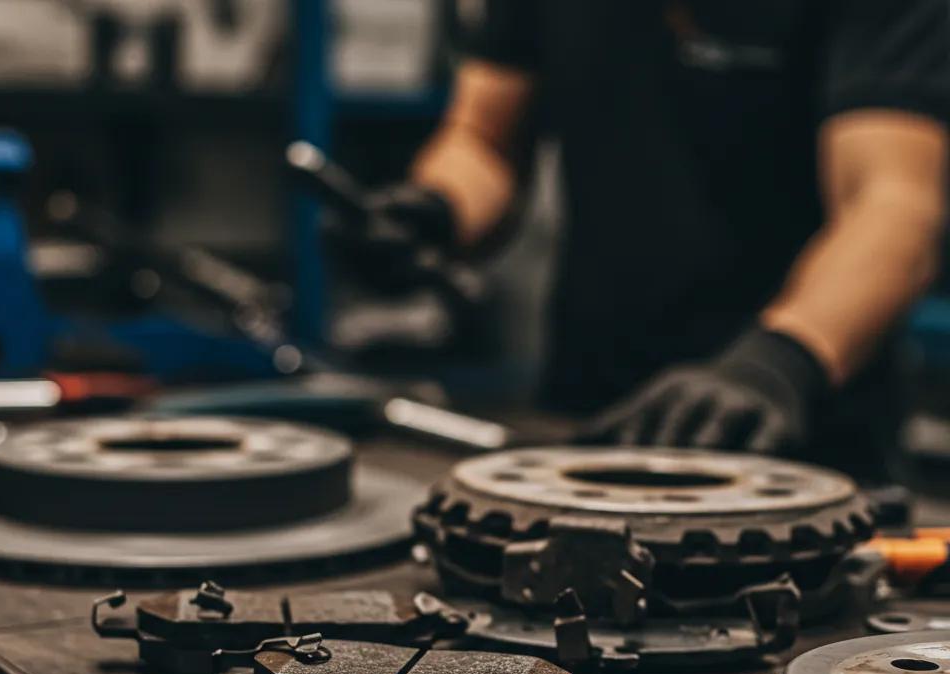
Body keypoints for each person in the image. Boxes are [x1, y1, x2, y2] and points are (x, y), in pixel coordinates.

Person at [343, 1, 950, 457]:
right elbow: (485, 137)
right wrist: (437, 210)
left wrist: (777, 363)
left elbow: (891, 202)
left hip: (793, 419)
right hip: (593, 406)